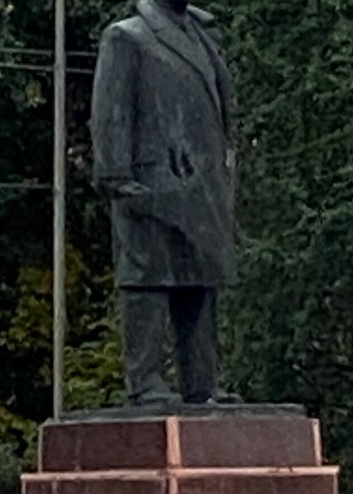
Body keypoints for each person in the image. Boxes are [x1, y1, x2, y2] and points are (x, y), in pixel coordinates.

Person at [91, 0, 242, 406]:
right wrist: (116, 177)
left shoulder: (204, 34)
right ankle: (145, 380)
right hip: (152, 183)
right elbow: (110, 112)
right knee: (149, 279)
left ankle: (202, 382)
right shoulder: (128, 36)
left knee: (200, 283)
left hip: (203, 186)